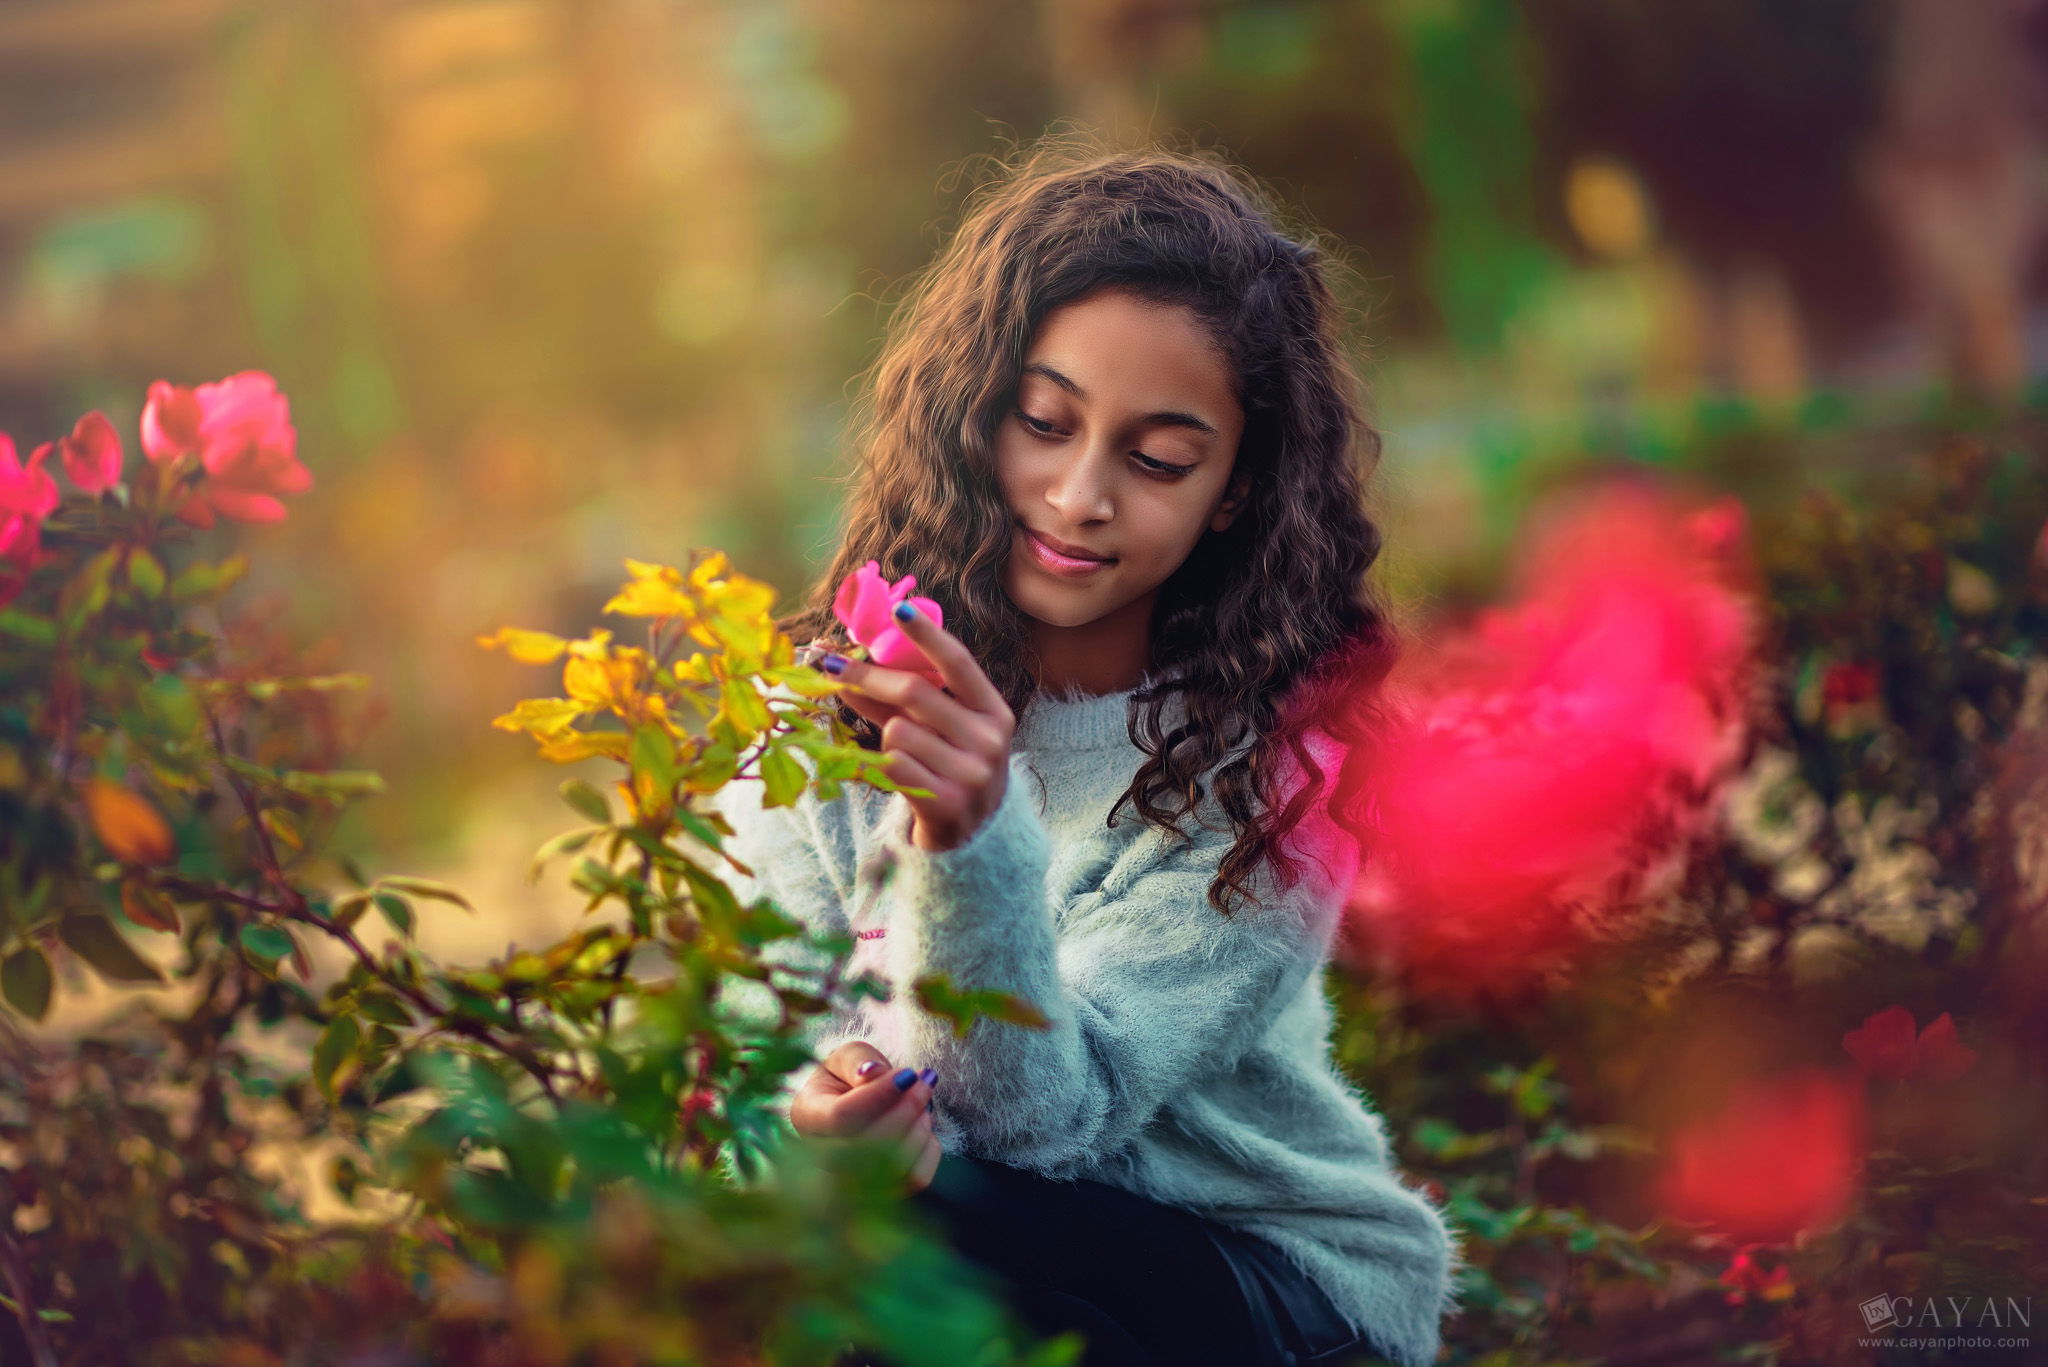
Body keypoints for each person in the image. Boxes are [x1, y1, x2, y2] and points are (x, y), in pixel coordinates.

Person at [705, 136, 1459, 1367]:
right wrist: (807, 1110)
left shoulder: (1271, 781)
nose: (1077, 495)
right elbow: (740, 1036)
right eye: (1043, 424)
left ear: (1232, 489)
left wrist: (971, 834)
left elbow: (1036, 1121)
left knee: (930, 1221)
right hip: (981, 1254)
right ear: (973, 414)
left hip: (1268, 1283)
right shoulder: (826, 722)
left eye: (1155, 458)